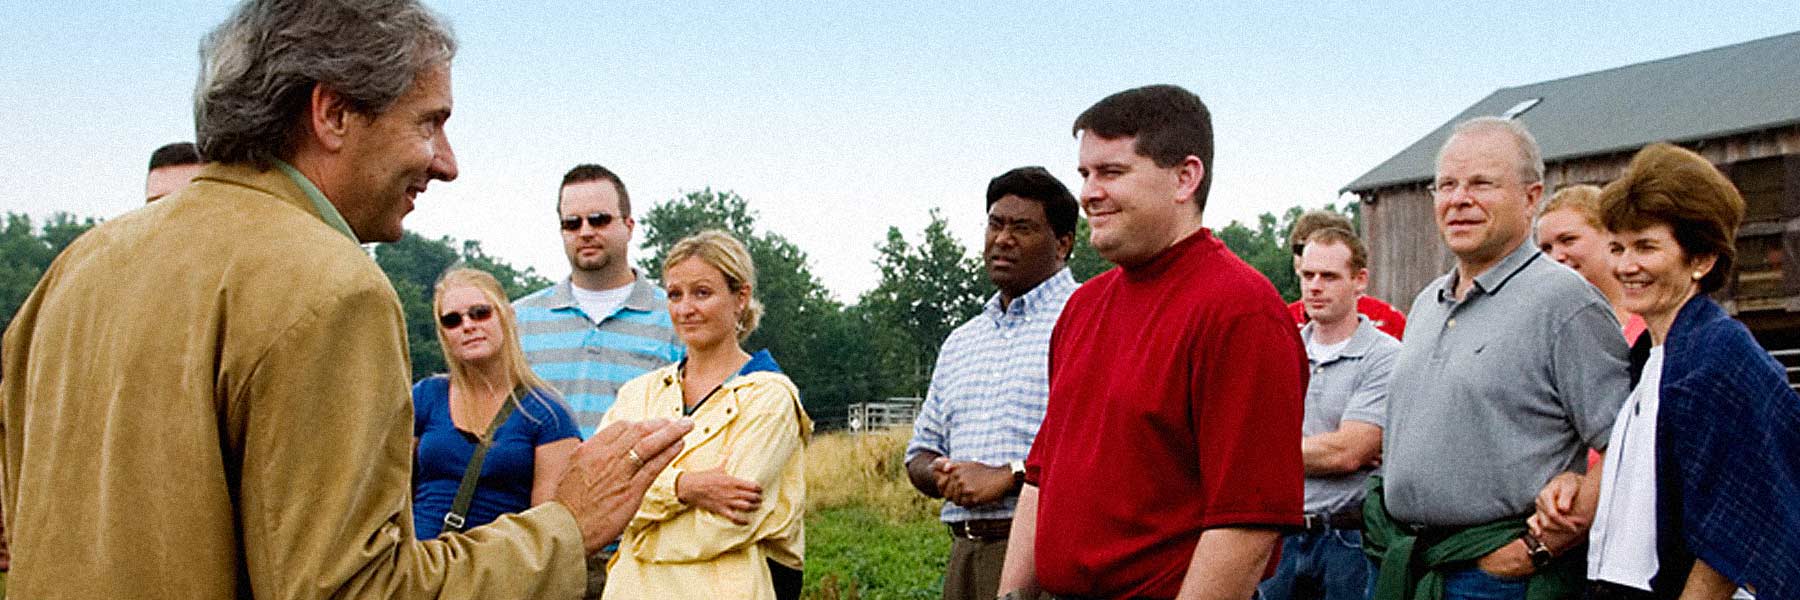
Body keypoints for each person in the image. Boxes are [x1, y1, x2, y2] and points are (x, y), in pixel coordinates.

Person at [0, 1, 691, 597]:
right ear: (332, 113)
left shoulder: (77, 267)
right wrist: (566, 529)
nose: (447, 162)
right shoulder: (334, 288)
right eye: (429, 122)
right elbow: (355, 590)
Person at [997, 84, 1306, 600]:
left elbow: (1247, 523)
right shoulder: (1082, 309)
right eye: (1085, 174)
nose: (1089, 193)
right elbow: (1041, 475)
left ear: (1186, 178)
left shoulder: (1240, 311)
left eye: (1112, 172)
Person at [1366, 117, 1630, 600]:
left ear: (1531, 197)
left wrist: (1538, 547)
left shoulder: (1566, 303)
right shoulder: (1427, 302)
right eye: (1446, 185)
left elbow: (1626, 450)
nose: (1459, 199)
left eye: (1481, 184)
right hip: (1411, 566)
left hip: (1494, 577)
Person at [1533, 143, 1800, 599]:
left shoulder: (1718, 354)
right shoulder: (1651, 354)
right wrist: (1579, 481)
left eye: (1646, 247)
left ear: (1701, 260)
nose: (1626, 266)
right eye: (1616, 247)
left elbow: (1733, 528)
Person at [599, 230, 812, 600]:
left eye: (702, 292)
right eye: (674, 295)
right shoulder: (639, 394)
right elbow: (599, 492)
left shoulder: (769, 398)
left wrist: (641, 538)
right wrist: (684, 488)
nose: (685, 309)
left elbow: (729, 524)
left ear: (740, 297)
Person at [905, 166, 1079, 600]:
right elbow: (919, 452)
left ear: (1063, 244)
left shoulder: (1087, 319)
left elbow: (1104, 446)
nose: (1002, 239)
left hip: (1049, 556)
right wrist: (943, 474)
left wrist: (1011, 474)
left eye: (1022, 227)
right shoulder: (964, 340)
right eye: (995, 223)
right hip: (965, 554)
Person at [1260, 227, 1400, 600]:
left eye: (1329, 276)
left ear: (1359, 281)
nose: (1315, 287)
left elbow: (1346, 453)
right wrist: (1331, 448)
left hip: (1348, 538)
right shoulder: (1281, 352)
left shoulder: (1385, 357)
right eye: (1307, 276)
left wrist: (1262, 453)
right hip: (1281, 535)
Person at [517, 164, 684, 440]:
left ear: (629, 227)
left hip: (646, 481)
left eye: (599, 220)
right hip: (544, 483)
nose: (585, 232)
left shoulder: (677, 316)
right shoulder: (518, 321)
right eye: (572, 223)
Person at [412, 267, 581, 539]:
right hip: (421, 566)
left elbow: (548, 529)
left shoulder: (547, 413)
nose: (468, 325)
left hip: (495, 569)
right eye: (452, 320)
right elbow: (389, 488)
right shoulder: (426, 396)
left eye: (480, 313)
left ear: (507, 316)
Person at [1536, 184, 1647, 342]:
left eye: (1568, 240)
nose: (1556, 257)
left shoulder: (1652, 311)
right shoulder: (1549, 326)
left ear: (1609, 234)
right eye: (1546, 248)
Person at [1286, 210, 1408, 340]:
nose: (1313, 258)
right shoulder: (1282, 321)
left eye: (1329, 275)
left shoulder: (1388, 320)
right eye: (1301, 250)